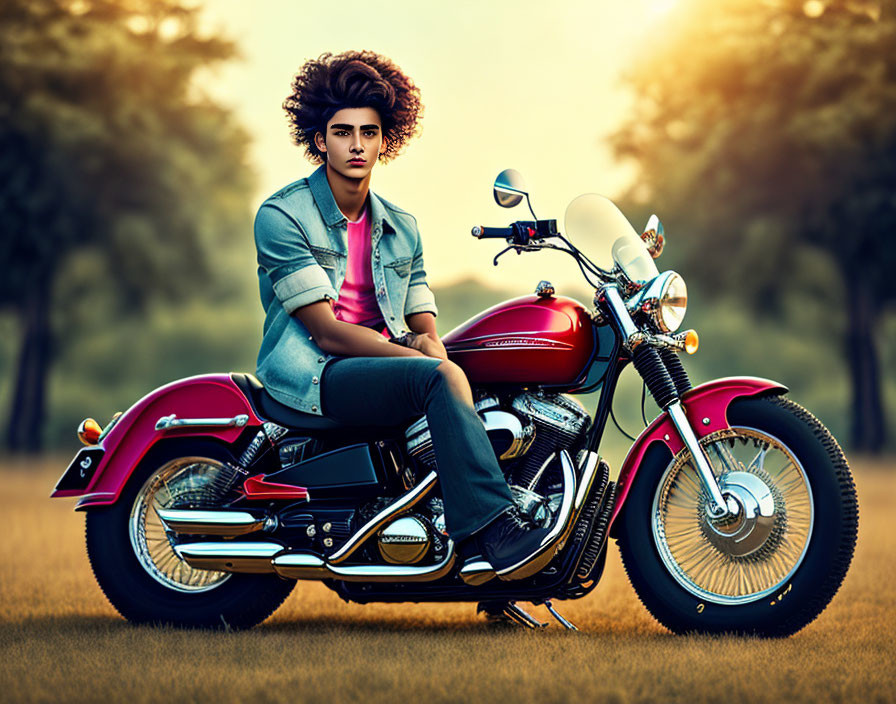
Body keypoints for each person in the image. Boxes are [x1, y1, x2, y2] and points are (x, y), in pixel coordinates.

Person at [253, 50, 558, 580]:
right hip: (315, 376)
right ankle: (492, 533)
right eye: (342, 132)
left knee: (467, 375)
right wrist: (421, 360)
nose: (356, 145)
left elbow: (420, 318)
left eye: (368, 133)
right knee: (436, 377)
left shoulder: (402, 226)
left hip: (379, 365)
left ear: (383, 140)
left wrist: (431, 348)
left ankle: (492, 538)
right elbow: (325, 332)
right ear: (319, 139)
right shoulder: (282, 216)